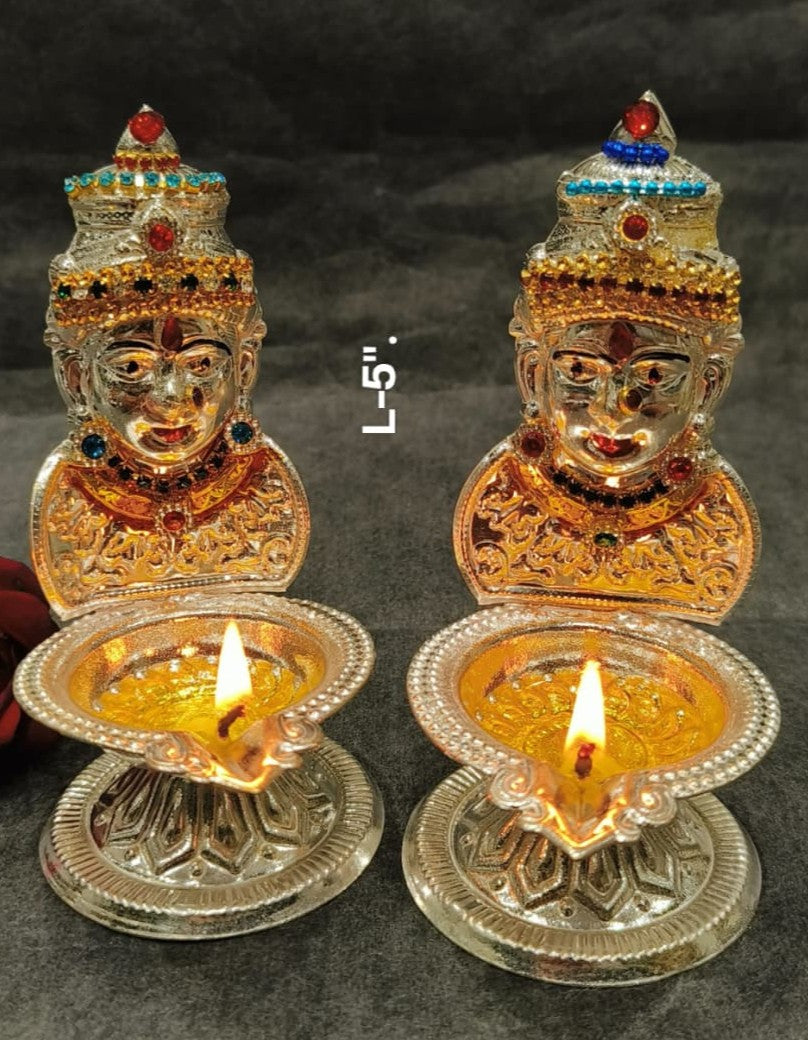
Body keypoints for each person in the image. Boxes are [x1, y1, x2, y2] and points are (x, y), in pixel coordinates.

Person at [455, 93, 756, 622]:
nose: (614, 409)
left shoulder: (715, 527)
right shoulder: (501, 507)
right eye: (578, 370)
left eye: (655, 374)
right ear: (532, 373)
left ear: (708, 385)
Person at [34, 107, 308, 619]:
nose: (172, 399)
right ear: (75, 379)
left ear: (245, 368)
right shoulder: (70, 511)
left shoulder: (263, 493)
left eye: (201, 364)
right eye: (131, 369)